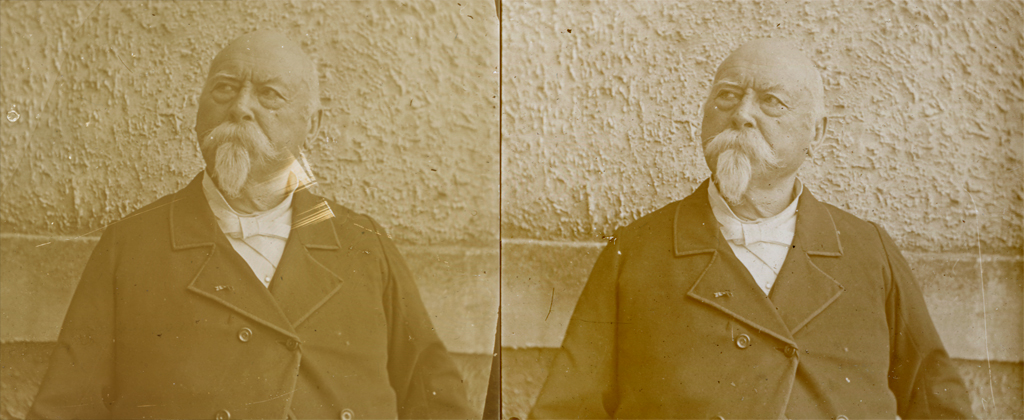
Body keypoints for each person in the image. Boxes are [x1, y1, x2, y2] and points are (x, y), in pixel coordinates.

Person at [28, 30, 473, 420]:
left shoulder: (364, 246)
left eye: (269, 95)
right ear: (198, 109)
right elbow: (65, 410)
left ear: (312, 125)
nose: (240, 107)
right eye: (224, 88)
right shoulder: (130, 245)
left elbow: (438, 404)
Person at [528, 39, 974, 419]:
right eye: (727, 95)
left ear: (816, 133)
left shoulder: (867, 251)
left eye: (771, 102)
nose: (741, 114)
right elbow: (568, 410)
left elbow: (938, 404)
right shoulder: (635, 251)